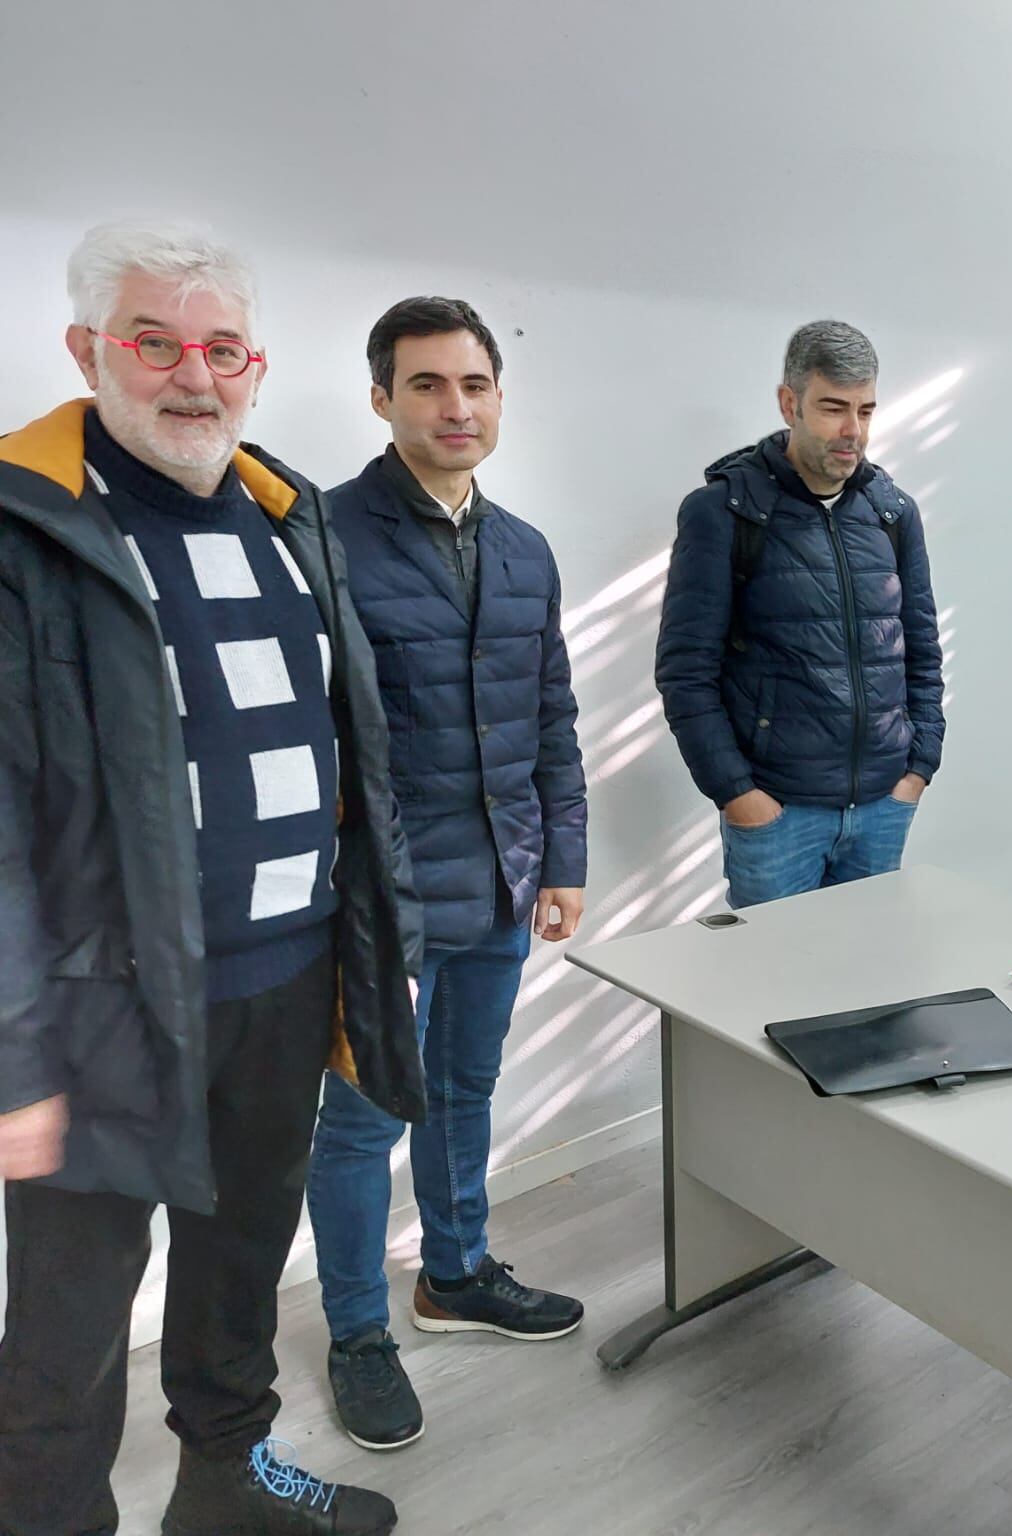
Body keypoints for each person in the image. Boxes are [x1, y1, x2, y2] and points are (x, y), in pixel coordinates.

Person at [0, 222, 419, 1535]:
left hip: (286, 979)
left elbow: (347, 748)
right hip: (95, 1012)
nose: (193, 375)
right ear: (87, 352)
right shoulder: (24, 533)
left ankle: (226, 1485)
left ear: (256, 363)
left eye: (221, 347)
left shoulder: (289, 516)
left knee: (241, 1262)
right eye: (153, 341)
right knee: (69, 1327)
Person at [306, 297, 589, 1452]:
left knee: (467, 1089)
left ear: (497, 400)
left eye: (473, 385)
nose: (455, 406)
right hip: (373, 895)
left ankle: (457, 1273)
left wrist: (563, 856)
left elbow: (553, 716)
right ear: (381, 398)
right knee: (363, 1119)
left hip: (501, 879)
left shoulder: (524, 548)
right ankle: (358, 1332)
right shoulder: (319, 537)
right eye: (426, 385)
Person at [654, 320, 944, 906]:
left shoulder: (892, 513)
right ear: (789, 403)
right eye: (834, 408)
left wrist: (918, 769)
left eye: (865, 411)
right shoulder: (725, 512)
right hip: (778, 814)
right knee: (770, 990)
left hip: (884, 806)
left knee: (865, 983)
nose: (852, 431)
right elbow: (685, 673)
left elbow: (920, 648)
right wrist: (739, 795)